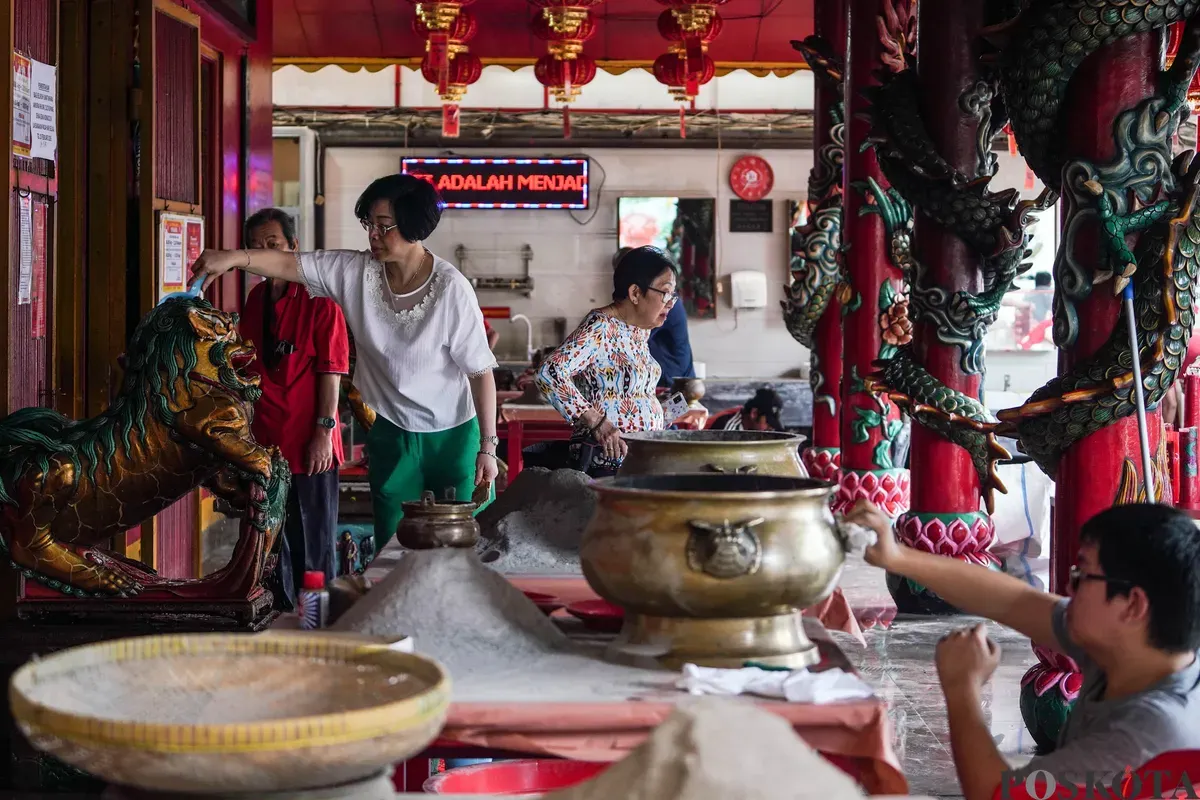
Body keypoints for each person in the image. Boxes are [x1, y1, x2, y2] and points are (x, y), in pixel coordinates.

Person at [192, 173, 500, 555]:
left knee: (466, 545)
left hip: (454, 435)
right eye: (368, 224)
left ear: (413, 225)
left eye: (383, 226)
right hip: (392, 431)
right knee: (393, 546)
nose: (372, 234)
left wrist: (487, 446)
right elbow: (290, 264)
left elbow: (479, 372)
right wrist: (234, 258)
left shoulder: (450, 289)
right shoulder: (355, 272)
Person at [844, 500, 1200, 800]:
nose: (1068, 588)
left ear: (1133, 605)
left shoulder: (1149, 731)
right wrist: (898, 557)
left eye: (1083, 577)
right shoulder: (1134, 649)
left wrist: (961, 687)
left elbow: (995, 793)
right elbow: (1013, 600)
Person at [237, 208, 349, 610]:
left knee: (313, 544)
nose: (265, 252)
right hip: (266, 444)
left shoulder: (321, 300)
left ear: (293, 248)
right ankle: (281, 618)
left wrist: (323, 431)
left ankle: (314, 624)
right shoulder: (255, 299)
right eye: (257, 246)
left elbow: (331, 370)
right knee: (271, 543)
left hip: (309, 445)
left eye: (274, 245)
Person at [535, 246, 678, 475]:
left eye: (673, 295)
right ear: (635, 293)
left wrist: (657, 411)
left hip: (636, 462)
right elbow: (549, 373)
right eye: (665, 292)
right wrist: (598, 423)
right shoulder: (601, 327)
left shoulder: (639, 330)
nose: (671, 302)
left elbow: (618, 390)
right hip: (604, 463)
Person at [707, 387, 785, 432]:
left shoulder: (762, 431)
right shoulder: (727, 429)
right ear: (754, 414)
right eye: (768, 422)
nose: (771, 428)